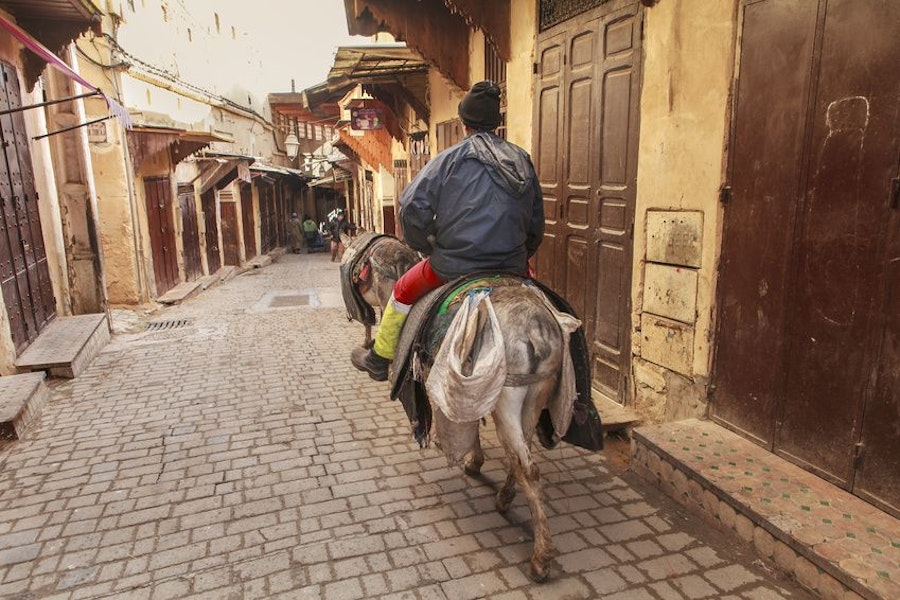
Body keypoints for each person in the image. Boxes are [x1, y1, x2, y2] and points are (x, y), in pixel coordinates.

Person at [351, 80, 544, 381]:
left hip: (453, 265)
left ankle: (380, 358)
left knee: (401, 291)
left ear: (464, 124)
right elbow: (536, 223)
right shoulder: (522, 161)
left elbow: (411, 206)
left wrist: (427, 246)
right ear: (497, 123)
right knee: (545, 302)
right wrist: (518, 254)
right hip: (512, 265)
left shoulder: (449, 160)